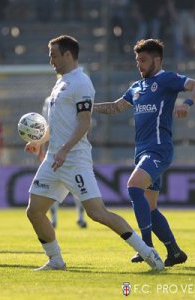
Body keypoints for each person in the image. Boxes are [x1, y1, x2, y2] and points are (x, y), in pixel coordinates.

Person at [25, 35, 164, 271]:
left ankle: (147, 252)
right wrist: (40, 141)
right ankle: (56, 260)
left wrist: (65, 150)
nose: (51, 61)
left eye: (54, 56)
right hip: (54, 160)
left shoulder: (81, 83)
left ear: (68, 55)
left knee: (98, 213)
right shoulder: (60, 83)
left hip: (74, 159)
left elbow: (84, 122)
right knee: (34, 211)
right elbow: (59, 123)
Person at [93, 39, 193, 267]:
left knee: (133, 186)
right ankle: (174, 251)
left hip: (159, 149)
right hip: (142, 151)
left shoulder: (167, 79)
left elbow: (194, 85)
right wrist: (89, 108)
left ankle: (145, 246)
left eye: (144, 60)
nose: (140, 64)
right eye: (138, 60)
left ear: (157, 60)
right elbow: (116, 107)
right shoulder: (137, 87)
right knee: (150, 207)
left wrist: (186, 104)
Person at [40, 96, 87, 229]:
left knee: (79, 188)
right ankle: (54, 218)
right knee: (50, 187)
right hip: (54, 151)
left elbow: (84, 124)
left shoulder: (77, 97)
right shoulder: (49, 100)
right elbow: (46, 125)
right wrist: (42, 147)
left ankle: (80, 217)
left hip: (73, 151)